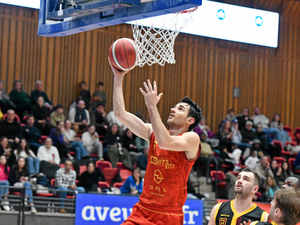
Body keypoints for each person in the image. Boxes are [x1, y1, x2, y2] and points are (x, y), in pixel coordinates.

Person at [110, 60, 202, 225]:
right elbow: (120, 113)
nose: (173, 109)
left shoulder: (192, 139)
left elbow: (165, 142)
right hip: (142, 211)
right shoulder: (153, 132)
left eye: (180, 109)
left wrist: (152, 107)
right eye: (174, 107)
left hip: (169, 216)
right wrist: (118, 77)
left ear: (190, 120)